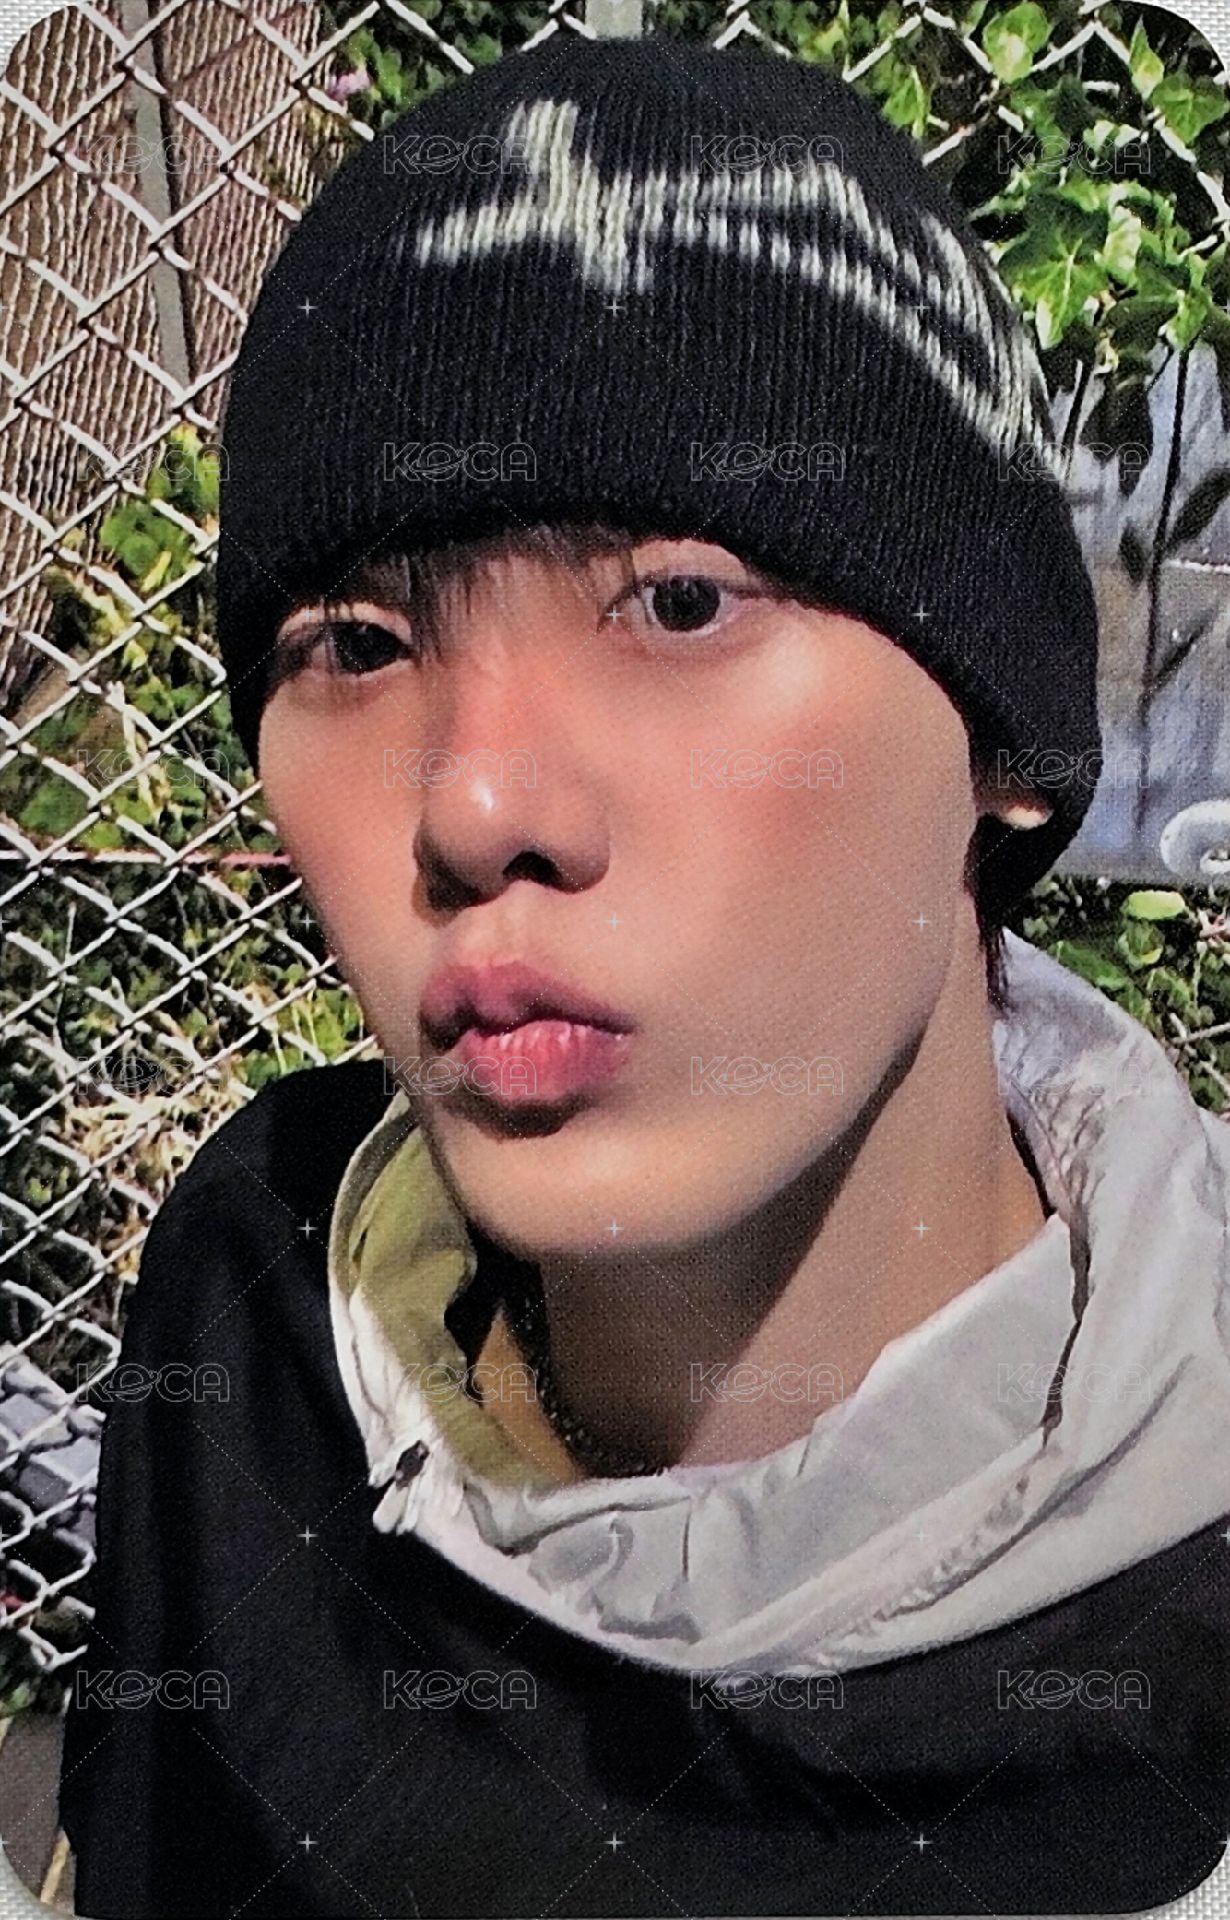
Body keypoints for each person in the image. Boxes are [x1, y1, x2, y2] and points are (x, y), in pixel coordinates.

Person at [59, 30, 1230, 1918]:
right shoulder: (253, 1294)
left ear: (1005, 737)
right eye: (353, 645)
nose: (475, 803)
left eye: (680, 602)